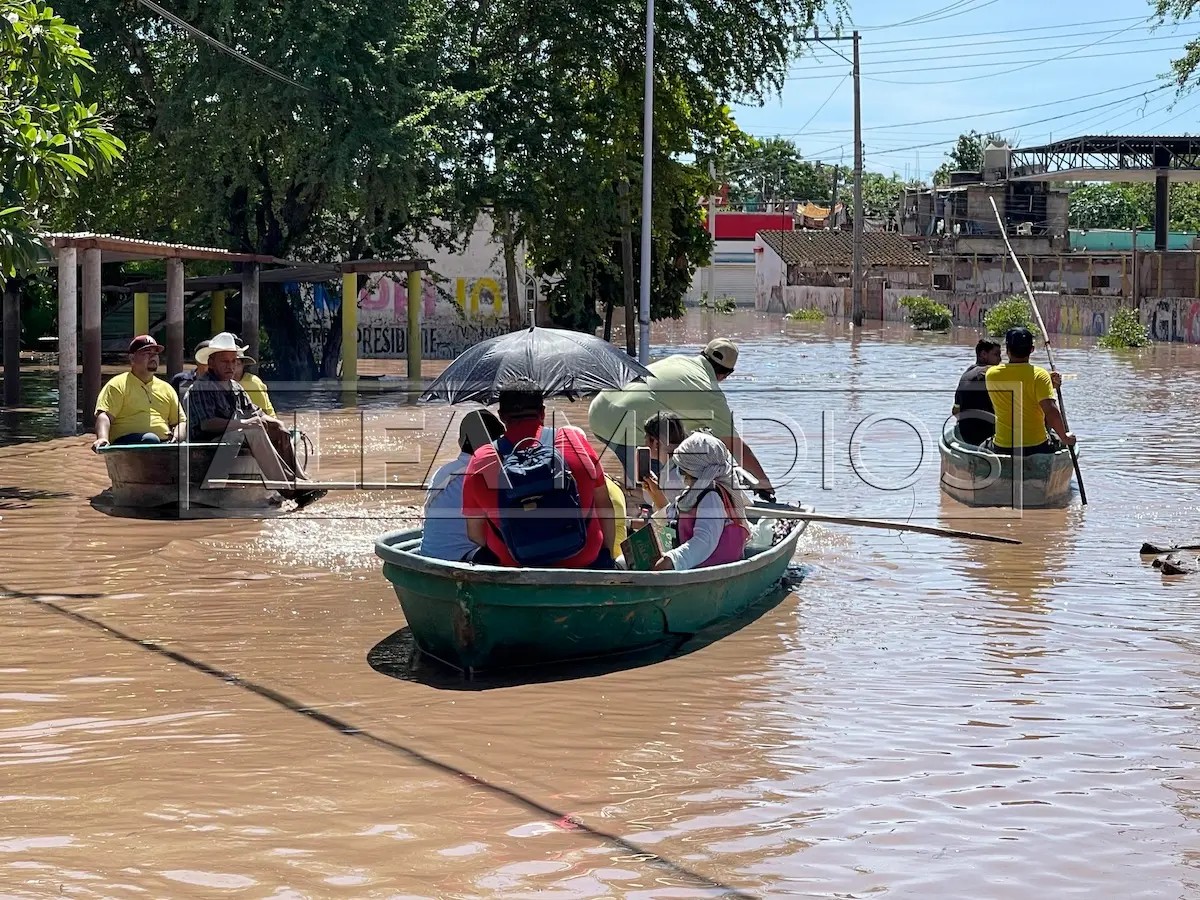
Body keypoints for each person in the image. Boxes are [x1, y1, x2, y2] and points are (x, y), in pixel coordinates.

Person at [588, 338, 775, 500]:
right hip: (629, 425)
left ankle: (624, 503)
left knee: (642, 483)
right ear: (726, 374)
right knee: (660, 491)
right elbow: (735, 446)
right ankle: (652, 526)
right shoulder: (711, 394)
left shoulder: (678, 360)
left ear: (703, 353)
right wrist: (764, 483)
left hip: (599, 410)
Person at [462, 377, 615, 569]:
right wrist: (606, 557)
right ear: (542, 412)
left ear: (501, 416)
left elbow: (475, 534)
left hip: (515, 567)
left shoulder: (480, 460)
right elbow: (605, 506)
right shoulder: (575, 442)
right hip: (584, 562)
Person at [184, 332, 321, 503]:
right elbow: (207, 425)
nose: (231, 366)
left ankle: (302, 479)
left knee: (279, 429)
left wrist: (275, 423)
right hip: (208, 445)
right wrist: (246, 423)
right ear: (211, 363)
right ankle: (287, 488)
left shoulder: (235, 387)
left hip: (233, 438)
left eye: (234, 361)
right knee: (254, 432)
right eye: (225, 361)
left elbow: (255, 411)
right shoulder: (202, 387)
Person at [653, 432, 751, 571]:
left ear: (694, 472)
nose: (681, 475)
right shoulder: (694, 493)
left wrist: (673, 560)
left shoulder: (711, 497)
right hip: (696, 563)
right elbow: (670, 516)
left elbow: (704, 541)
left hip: (709, 567)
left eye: (681, 470)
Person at [419, 409, 505, 561]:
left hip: (428, 553)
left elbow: (426, 514)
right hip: (462, 558)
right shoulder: (490, 475)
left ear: (461, 441)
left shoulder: (443, 472)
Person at [985, 327, 1076, 455]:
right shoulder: (1040, 375)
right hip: (1036, 446)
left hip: (1003, 445)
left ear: (1007, 350)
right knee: (1057, 439)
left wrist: (1048, 384)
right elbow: (1051, 411)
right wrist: (1065, 438)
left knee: (984, 444)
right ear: (1032, 349)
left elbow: (1019, 386)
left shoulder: (991, 374)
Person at [91, 335, 186, 451]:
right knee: (150, 439)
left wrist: (176, 438)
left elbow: (180, 421)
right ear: (132, 359)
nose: (153, 356)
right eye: (147, 352)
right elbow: (104, 416)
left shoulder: (167, 388)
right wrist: (102, 438)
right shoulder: (117, 385)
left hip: (162, 447)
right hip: (127, 446)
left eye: (155, 353)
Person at [951, 338, 1002, 445]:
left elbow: (955, 411)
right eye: (996, 355)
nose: (1000, 359)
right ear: (983, 354)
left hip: (966, 434)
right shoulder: (988, 373)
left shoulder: (967, 373)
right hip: (984, 435)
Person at [639, 410, 687, 511]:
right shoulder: (680, 465)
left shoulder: (673, 478)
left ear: (656, 443)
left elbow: (670, 521)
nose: (644, 444)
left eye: (645, 439)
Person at [234, 351, 276, 416]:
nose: (232, 367)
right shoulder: (222, 382)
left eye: (237, 364)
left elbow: (262, 412)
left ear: (243, 365)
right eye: (228, 362)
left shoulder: (252, 383)